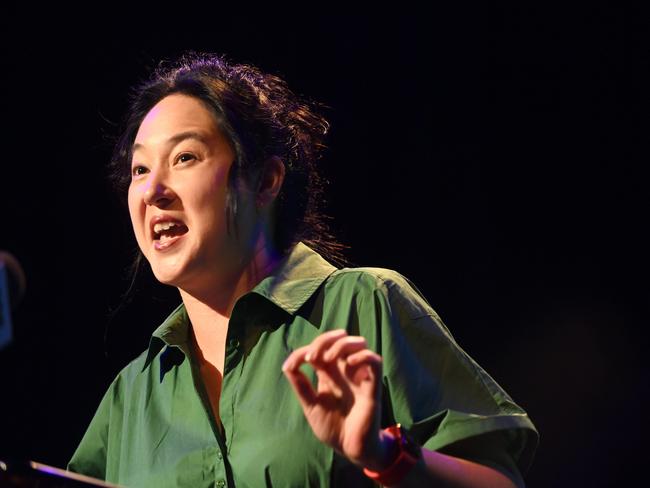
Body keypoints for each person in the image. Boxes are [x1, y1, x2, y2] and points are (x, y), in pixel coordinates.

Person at [68, 52, 538, 488]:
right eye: (139, 169)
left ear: (266, 181)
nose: (153, 191)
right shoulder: (132, 395)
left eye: (185, 157)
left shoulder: (363, 305)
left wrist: (383, 453)